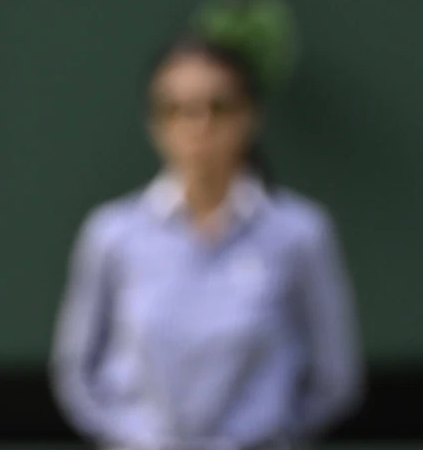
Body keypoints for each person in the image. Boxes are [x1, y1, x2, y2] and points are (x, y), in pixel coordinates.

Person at [51, 34, 363, 450]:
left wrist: (268, 436)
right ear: (155, 123)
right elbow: (76, 373)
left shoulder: (301, 234)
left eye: (217, 107)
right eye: (177, 110)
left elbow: (334, 378)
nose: (198, 126)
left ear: (250, 116)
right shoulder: (111, 234)